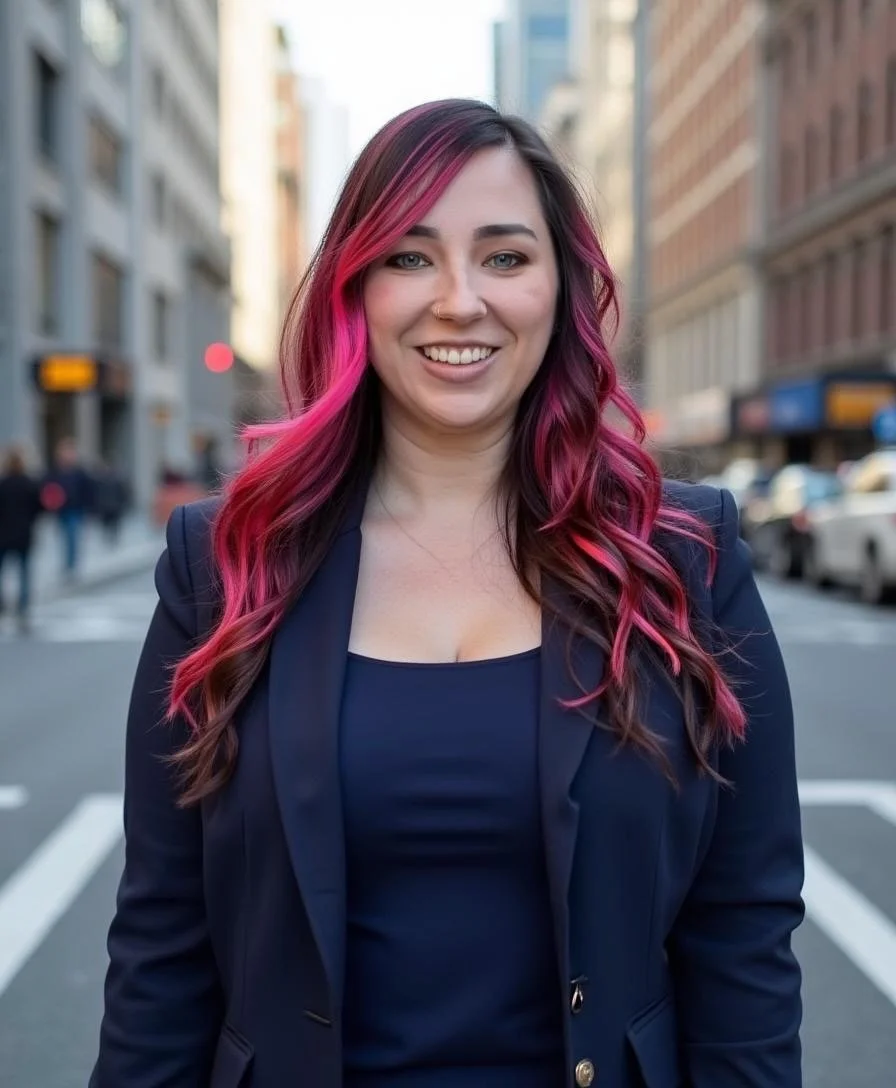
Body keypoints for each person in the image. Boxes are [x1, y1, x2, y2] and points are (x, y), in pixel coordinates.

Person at [91, 100, 804, 1088]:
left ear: (560, 287)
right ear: (355, 287)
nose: (458, 300)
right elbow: (161, 940)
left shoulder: (683, 555)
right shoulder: (225, 563)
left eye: (505, 257)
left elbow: (743, 930)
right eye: (410, 256)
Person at [0, 447, 43, 631]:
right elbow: (39, 508)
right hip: (24, 534)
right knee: (24, 573)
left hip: (3, 534)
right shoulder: (30, 484)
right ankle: (23, 608)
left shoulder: (3, 484)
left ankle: (2, 605)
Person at [41, 437, 94, 579]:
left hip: (76, 509)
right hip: (60, 509)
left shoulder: (79, 471)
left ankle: (71, 565)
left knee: (73, 536)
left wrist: (89, 507)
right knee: (64, 536)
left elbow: (88, 489)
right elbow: (47, 488)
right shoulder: (55, 471)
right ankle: (68, 563)